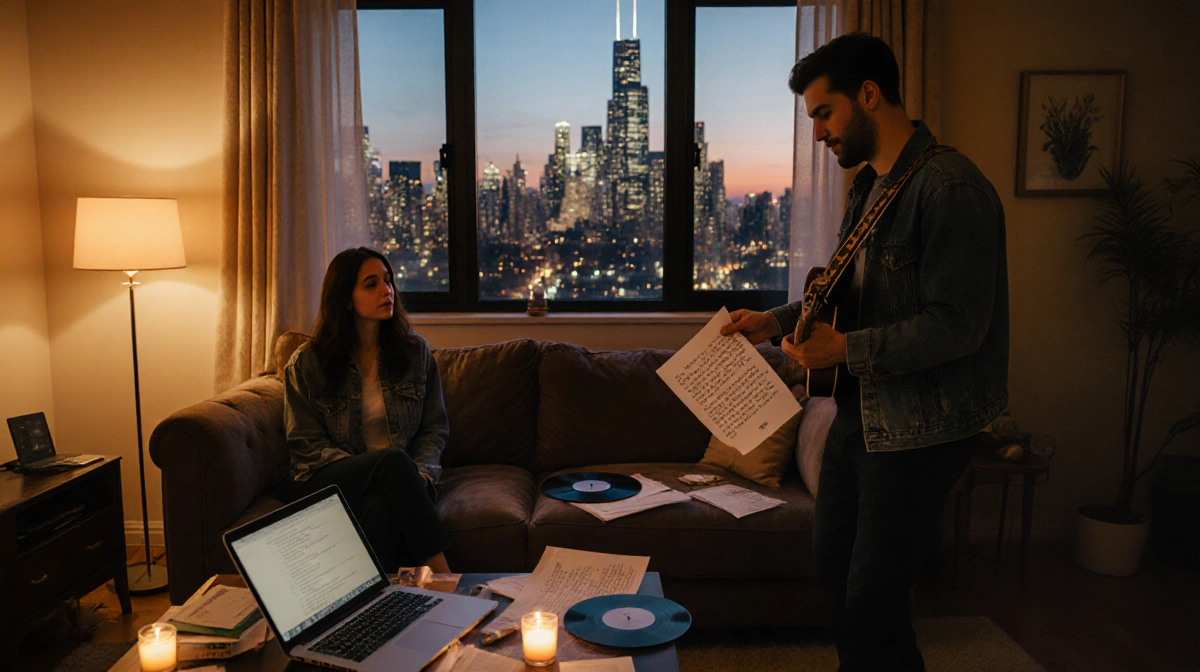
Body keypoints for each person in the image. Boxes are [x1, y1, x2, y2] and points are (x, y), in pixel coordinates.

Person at [721, 33, 1008, 671]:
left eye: (825, 113)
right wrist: (770, 322)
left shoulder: (950, 189)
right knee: (836, 575)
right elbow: (842, 296)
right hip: (861, 417)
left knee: (873, 598)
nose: (819, 133)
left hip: (920, 430)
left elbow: (960, 326)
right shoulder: (870, 189)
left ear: (869, 96)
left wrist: (844, 349)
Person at [280, 247, 452, 574]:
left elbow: (434, 429)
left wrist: (423, 474)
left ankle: (381, 605)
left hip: (398, 480)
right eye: (371, 284)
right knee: (391, 462)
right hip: (325, 476)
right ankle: (445, 577)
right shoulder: (308, 363)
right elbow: (305, 446)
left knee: (380, 507)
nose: (386, 291)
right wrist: (371, 470)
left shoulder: (415, 353)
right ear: (345, 298)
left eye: (388, 281)